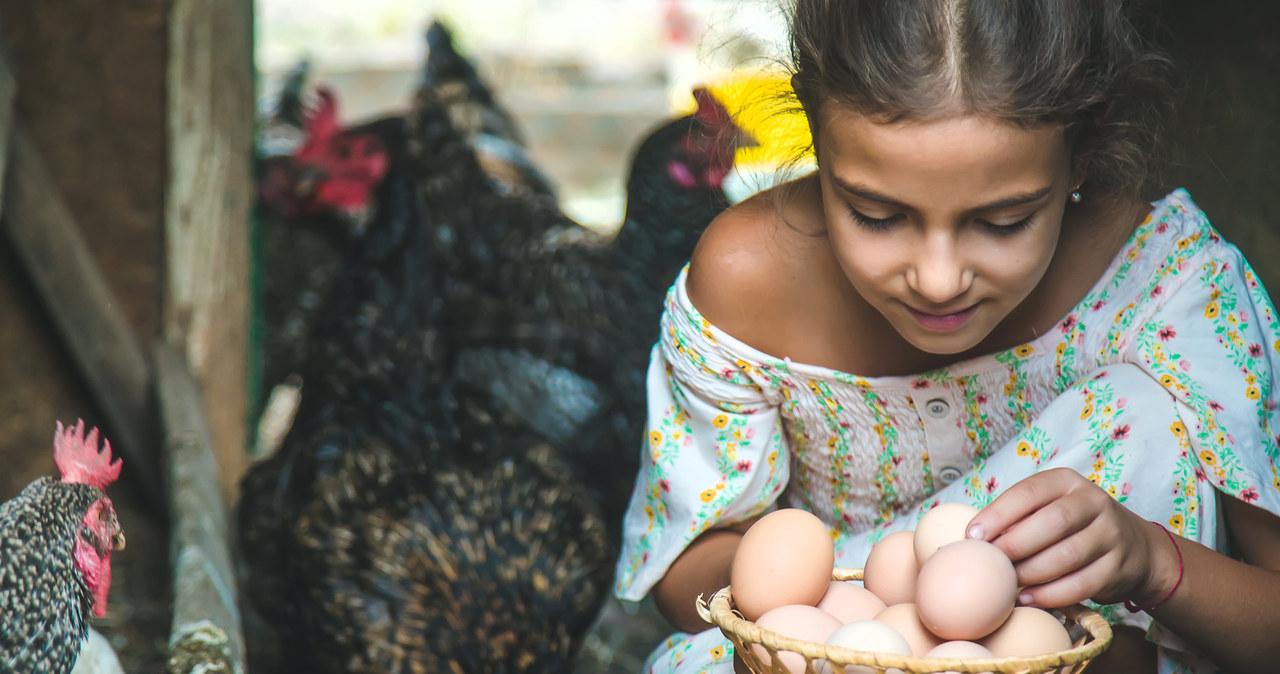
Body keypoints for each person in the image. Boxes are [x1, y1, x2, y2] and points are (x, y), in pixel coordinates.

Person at [613, 1, 1280, 672]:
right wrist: (845, 608)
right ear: (817, 135)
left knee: (1143, 411)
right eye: (877, 215)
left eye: (1003, 221)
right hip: (818, 645)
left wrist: (1152, 561)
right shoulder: (749, 281)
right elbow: (681, 574)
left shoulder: (1163, 284)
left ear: (1080, 156)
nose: (938, 281)